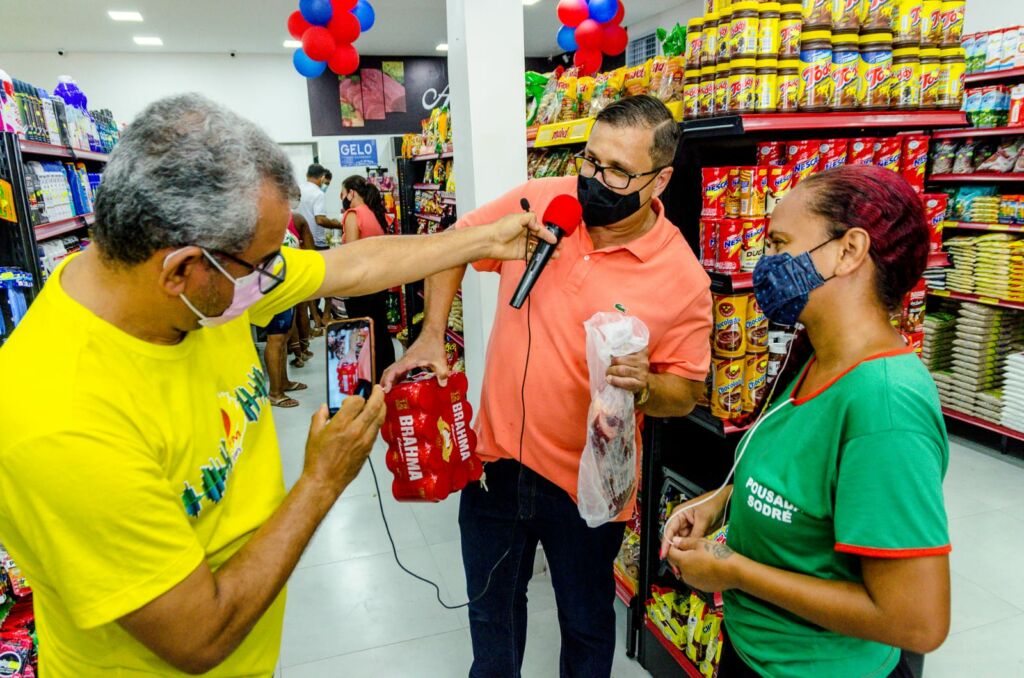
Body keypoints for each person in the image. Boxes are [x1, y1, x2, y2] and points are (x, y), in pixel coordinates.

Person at [0, 93, 559, 676]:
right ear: (181, 269)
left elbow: (355, 265)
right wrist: (321, 480)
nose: (276, 274)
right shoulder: (59, 421)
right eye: (265, 261)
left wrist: (483, 240)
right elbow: (199, 637)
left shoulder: (192, 289)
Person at [383, 95, 713, 677]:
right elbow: (452, 245)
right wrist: (433, 333)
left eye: (616, 172)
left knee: (586, 627)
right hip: (495, 467)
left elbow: (684, 392)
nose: (593, 180)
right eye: (590, 160)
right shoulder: (544, 202)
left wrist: (645, 386)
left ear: (660, 181)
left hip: (589, 489)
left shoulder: (681, 276)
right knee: (491, 618)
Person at [661, 165, 951, 678]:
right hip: (756, 652)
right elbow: (801, 477)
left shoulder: (885, 406)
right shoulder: (816, 356)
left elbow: (917, 621)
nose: (764, 263)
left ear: (849, 251)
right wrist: (720, 503)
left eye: (778, 243)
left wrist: (735, 572)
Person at [339, 174, 396, 380]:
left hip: (360, 285)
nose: (342, 197)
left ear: (351, 193)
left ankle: (365, 380)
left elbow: (352, 253)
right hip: (378, 282)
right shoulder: (375, 213)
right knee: (380, 331)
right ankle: (386, 378)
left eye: (343, 193)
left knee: (361, 334)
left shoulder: (353, 214)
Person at [263, 216, 306, 408]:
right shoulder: (264, 226)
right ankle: (275, 392)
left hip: (287, 286)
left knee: (285, 335)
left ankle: (284, 382)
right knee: (276, 338)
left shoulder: (283, 223)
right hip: (275, 288)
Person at [297, 163, 340, 331]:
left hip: (300, 243)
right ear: (322, 178)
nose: (326, 186)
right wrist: (338, 225)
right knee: (329, 280)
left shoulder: (298, 189)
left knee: (308, 285)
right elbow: (320, 220)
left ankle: (314, 317)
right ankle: (325, 315)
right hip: (317, 243)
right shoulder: (317, 194)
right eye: (326, 183)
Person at [288, 209, 316, 367]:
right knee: (302, 311)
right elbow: (311, 251)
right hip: (298, 272)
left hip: (279, 273)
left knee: (289, 315)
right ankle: (304, 349)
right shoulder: (297, 219)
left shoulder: (268, 220)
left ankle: (297, 354)